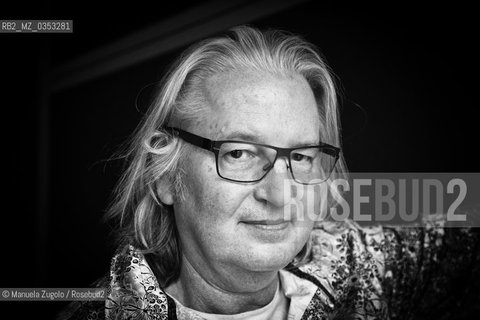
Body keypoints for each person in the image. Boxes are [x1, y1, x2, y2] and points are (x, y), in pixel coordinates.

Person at [59, 26, 480, 320]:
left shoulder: (361, 267)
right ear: (165, 176)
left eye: (301, 157)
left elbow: (466, 205)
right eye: (240, 153)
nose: (279, 196)